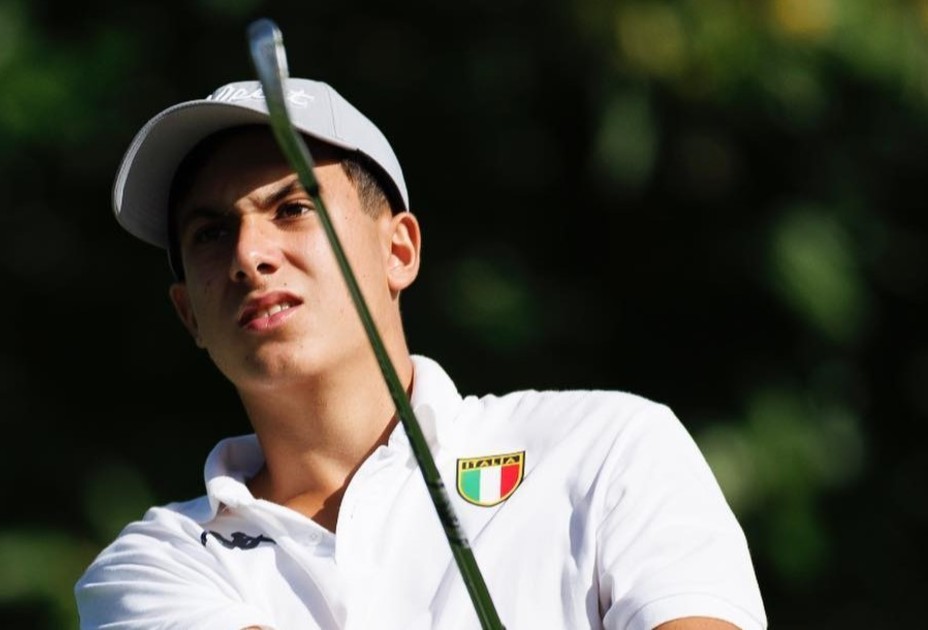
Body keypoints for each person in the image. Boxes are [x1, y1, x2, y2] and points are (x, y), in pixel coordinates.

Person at [74, 77, 768, 630]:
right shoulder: (151, 566)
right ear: (188, 313)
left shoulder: (606, 448)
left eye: (293, 209)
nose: (249, 255)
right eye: (211, 234)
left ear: (398, 249)